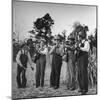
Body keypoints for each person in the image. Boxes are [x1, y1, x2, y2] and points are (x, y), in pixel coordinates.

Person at [76, 30, 90, 95]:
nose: (79, 37)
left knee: (84, 73)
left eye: (80, 36)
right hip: (79, 59)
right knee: (79, 73)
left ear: (82, 36)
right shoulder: (79, 42)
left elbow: (86, 49)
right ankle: (81, 88)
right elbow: (78, 50)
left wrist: (80, 48)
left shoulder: (86, 42)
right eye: (79, 36)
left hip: (84, 58)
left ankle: (85, 89)